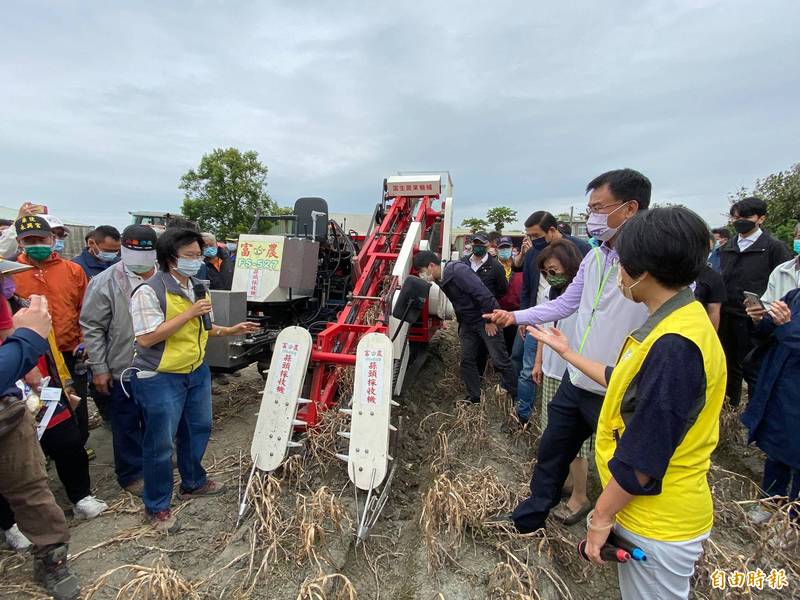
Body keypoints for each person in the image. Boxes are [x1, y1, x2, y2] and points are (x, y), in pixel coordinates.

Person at [528, 206, 726, 600]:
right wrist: (568, 352)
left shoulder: (675, 346)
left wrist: (601, 515)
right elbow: (625, 380)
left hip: (659, 518)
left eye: (623, 263)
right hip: (652, 510)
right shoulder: (677, 321)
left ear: (644, 272)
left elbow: (644, 458)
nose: (617, 273)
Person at [485, 169, 651, 533]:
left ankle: (617, 528)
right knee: (552, 451)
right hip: (578, 380)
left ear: (630, 208)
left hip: (618, 389)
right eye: (589, 208)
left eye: (598, 207)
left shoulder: (652, 267)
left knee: (618, 465)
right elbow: (563, 304)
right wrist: (514, 316)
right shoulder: (594, 259)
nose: (591, 216)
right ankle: (528, 518)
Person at [129, 228, 259, 532]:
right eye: (190, 255)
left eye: (199, 254)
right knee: (161, 444)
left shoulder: (198, 287)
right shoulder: (149, 291)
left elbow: (203, 327)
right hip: (161, 376)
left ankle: (193, 482)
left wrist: (230, 330)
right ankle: (157, 506)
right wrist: (188, 314)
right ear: (170, 258)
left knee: (198, 428)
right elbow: (147, 339)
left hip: (195, 370)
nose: (197, 260)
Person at [0, 294, 82, 600]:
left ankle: (52, 557)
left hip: (7, 412)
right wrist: (28, 340)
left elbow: (5, 337)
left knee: (31, 489)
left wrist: (28, 368)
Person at [80, 225, 159, 495]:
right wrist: (100, 369)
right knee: (126, 422)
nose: (139, 257)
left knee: (156, 418)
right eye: (133, 250)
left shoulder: (164, 278)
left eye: (145, 252)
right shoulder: (105, 281)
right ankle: (131, 474)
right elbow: (92, 327)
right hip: (123, 366)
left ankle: (154, 462)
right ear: (124, 250)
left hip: (161, 364)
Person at [11, 216, 92, 443]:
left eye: (42, 239)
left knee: (76, 402)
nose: (37, 244)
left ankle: (79, 444)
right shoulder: (10, 273)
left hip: (70, 351)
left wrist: (85, 339)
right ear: (19, 242)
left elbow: (85, 309)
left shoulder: (73, 270)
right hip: (32, 358)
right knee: (37, 408)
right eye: (30, 240)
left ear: (52, 239)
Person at [531, 240, 591, 525]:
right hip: (554, 370)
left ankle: (580, 496)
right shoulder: (551, 293)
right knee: (554, 433)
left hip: (575, 373)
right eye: (546, 271)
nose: (550, 275)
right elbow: (545, 328)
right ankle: (566, 481)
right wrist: (539, 361)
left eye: (553, 269)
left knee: (575, 443)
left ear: (570, 265)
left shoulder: (587, 295)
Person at [513, 211, 590, 424]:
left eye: (537, 236)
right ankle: (523, 417)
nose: (533, 241)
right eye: (529, 236)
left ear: (552, 231)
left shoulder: (582, 251)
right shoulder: (532, 256)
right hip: (538, 319)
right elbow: (528, 289)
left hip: (570, 330)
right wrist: (524, 316)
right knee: (529, 368)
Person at [413, 250, 517, 405]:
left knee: (499, 360)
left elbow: (483, 293)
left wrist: (491, 320)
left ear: (431, 265)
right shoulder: (440, 278)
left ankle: (517, 397)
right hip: (468, 323)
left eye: (422, 271)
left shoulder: (457, 271)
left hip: (484, 320)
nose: (422, 275)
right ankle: (474, 396)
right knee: (467, 360)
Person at [718, 197, 792, 407]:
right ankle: (729, 410)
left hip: (756, 318)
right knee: (728, 364)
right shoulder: (728, 247)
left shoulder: (772, 247)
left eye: (746, 217)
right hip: (727, 314)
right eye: (736, 217)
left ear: (761, 218)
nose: (739, 221)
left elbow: (783, 282)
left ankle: (756, 410)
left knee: (753, 364)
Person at [742, 287, 800, 523]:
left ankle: (792, 522)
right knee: (776, 448)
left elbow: (788, 331)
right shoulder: (796, 295)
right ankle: (769, 502)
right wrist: (759, 319)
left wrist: (787, 326)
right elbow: (769, 332)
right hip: (782, 387)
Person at [496, 236, 523, 362]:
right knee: (499, 345)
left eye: (507, 247)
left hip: (515, 312)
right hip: (497, 312)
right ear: (497, 249)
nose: (505, 250)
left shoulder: (520, 266)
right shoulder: (493, 266)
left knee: (513, 345)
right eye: (502, 248)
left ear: (512, 248)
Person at [760, 221, 800, 304]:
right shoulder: (780, 271)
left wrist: (788, 317)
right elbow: (767, 306)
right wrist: (758, 314)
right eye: (799, 237)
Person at [693, 234, 727, 331]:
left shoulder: (713, 278)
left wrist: (711, 339)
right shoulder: (672, 272)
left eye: (709, 251)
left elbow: (714, 312)